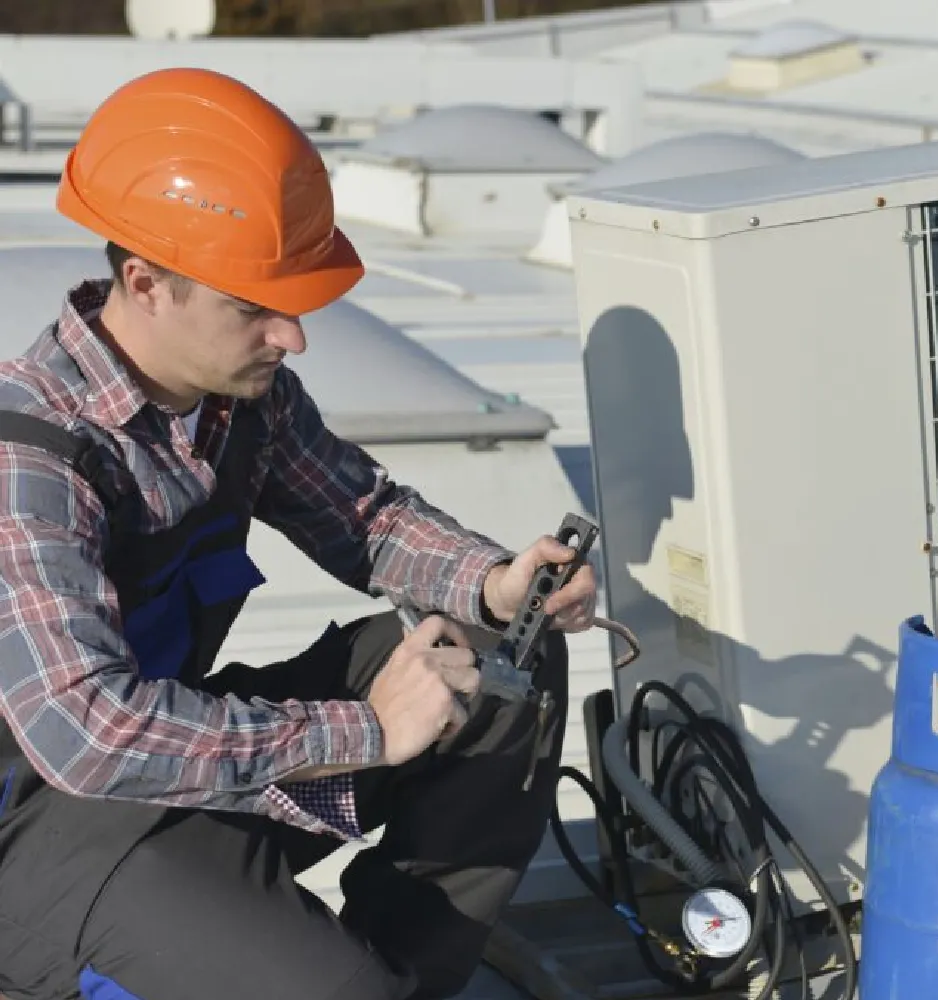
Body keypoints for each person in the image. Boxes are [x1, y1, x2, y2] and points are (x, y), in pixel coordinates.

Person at [0, 68, 597, 1000]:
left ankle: (398, 969)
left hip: (182, 769)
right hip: (42, 841)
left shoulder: (241, 398)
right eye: (255, 307)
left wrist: (495, 584)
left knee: (496, 670)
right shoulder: (31, 457)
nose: (294, 336)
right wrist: (362, 730)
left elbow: (363, 516)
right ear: (145, 284)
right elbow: (87, 733)